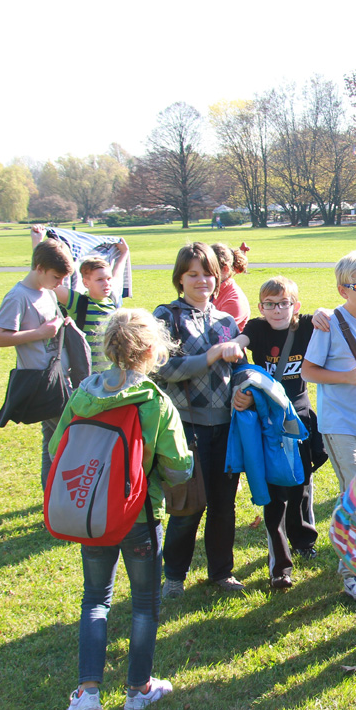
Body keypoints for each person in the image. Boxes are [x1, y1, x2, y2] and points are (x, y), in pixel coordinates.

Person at [54, 309, 196, 710]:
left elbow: (57, 448)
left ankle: (87, 692)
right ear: (152, 351)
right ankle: (138, 689)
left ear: (107, 346)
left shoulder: (84, 394)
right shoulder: (155, 402)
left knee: (95, 599)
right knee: (144, 603)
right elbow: (179, 468)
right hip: (139, 514)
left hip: (92, 513)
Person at [152, 243, 248, 596]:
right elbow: (161, 369)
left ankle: (221, 572)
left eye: (208, 273)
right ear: (180, 278)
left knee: (224, 506)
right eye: (192, 274)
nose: (201, 280)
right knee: (188, 506)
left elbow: (240, 368)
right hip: (186, 428)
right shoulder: (167, 317)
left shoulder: (225, 321)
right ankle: (174, 577)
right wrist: (209, 356)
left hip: (225, 427)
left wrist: (246, 390)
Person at [302, 251, 356, 603]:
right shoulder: (329, 323)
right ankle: (352, 573)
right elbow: (308, 371)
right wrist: (345, 377)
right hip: (338, 423)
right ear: (343, 290)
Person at [232, 276, 321, 586]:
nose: (277, 310)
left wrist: (324, 313)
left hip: (300, 420)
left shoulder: (305, 326)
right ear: (260, 307)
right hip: (270, 423)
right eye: (270, 304)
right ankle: (280, 567)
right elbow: (242, 341)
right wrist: (235, 345)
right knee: (275, 495)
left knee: (302, 485)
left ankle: (304, 541)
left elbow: (328, 317)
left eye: (284, 303)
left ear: (295, 305)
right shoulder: (257, 329)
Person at [0, 237, 74, 487]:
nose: (59, 283)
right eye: (56, 277)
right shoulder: (18, 297)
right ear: (39, 268)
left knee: (51, 439)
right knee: (70, 436)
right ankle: (62, 497)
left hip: (58, 377)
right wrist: (39, 333)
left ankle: (51, 498)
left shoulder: (46, 292)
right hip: (41, 382)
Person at [54, 241, 130, 373]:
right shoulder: (78, 302)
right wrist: (37, 243)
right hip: (86, 375)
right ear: (86, 283)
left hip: (111, 374)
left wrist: (124, 253)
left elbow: (117, 274)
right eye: (100, 280)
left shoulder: (113, 300)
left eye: (108, 278)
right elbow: (50, 283)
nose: (106, 283)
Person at [210, 242, 251, 330]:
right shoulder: (209, 292)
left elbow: (216, 333)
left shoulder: (234, 299)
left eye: (208, 270)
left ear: (225, 269)